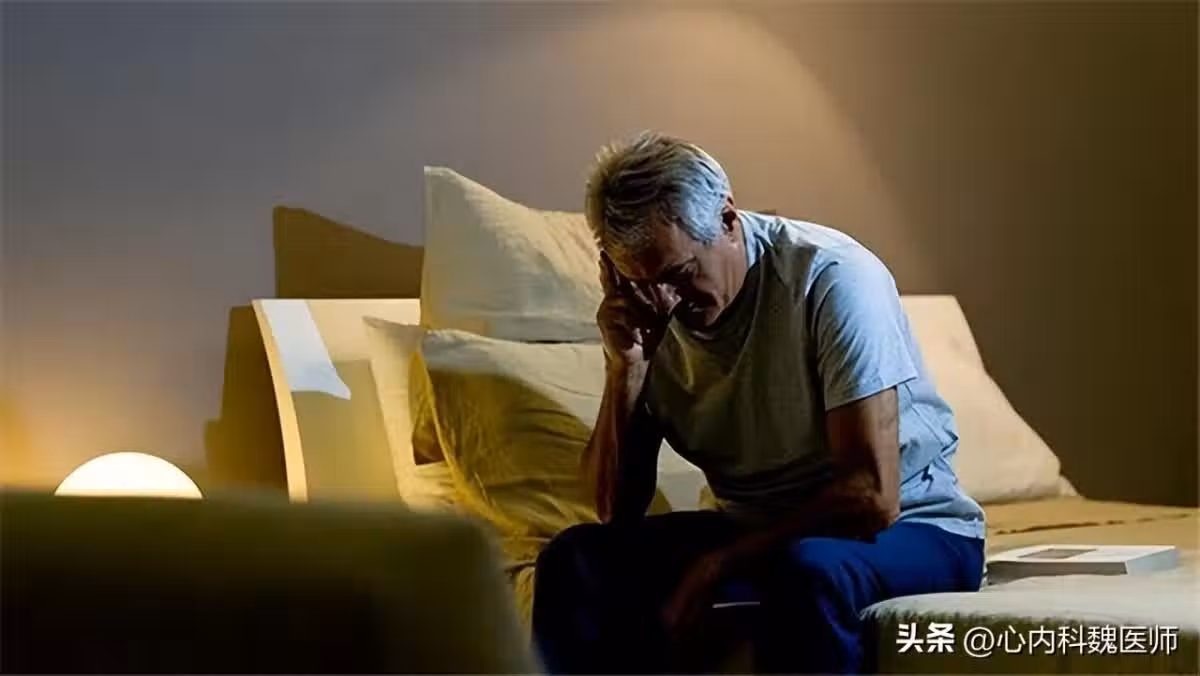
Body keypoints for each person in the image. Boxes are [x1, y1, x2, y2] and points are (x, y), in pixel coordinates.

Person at [531, 131, 986, 674]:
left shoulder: (832, 278)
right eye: (642, 283)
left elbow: (870, 496)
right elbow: (614, 511)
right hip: (757, 527)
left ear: (727, 219)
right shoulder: (645, 313)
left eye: (680, 275)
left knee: (808, 571)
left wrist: (723, 563)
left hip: (912, 528)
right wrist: (626, 366)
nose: (666, 302)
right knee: (575, 560)